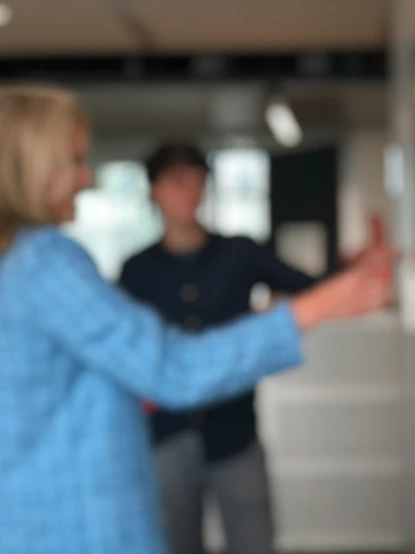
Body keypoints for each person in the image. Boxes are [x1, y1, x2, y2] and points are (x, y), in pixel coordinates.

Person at [0, 85, 392, 554]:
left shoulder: (5, 263)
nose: (85, 178)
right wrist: (309, 311)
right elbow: (172, 368)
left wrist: (337, 283)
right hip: (79, 516)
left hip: (224, 437)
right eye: (73, 161)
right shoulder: (46, 262)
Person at [119, 143, 318, 554]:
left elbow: (308, 288)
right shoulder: (137, 270)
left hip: (235, 429)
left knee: (253, 540)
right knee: (173, 541)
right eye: (177, 181)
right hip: (167, 435)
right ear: (154, 191)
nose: (189, 191)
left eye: (197, 180)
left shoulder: (239, 253)